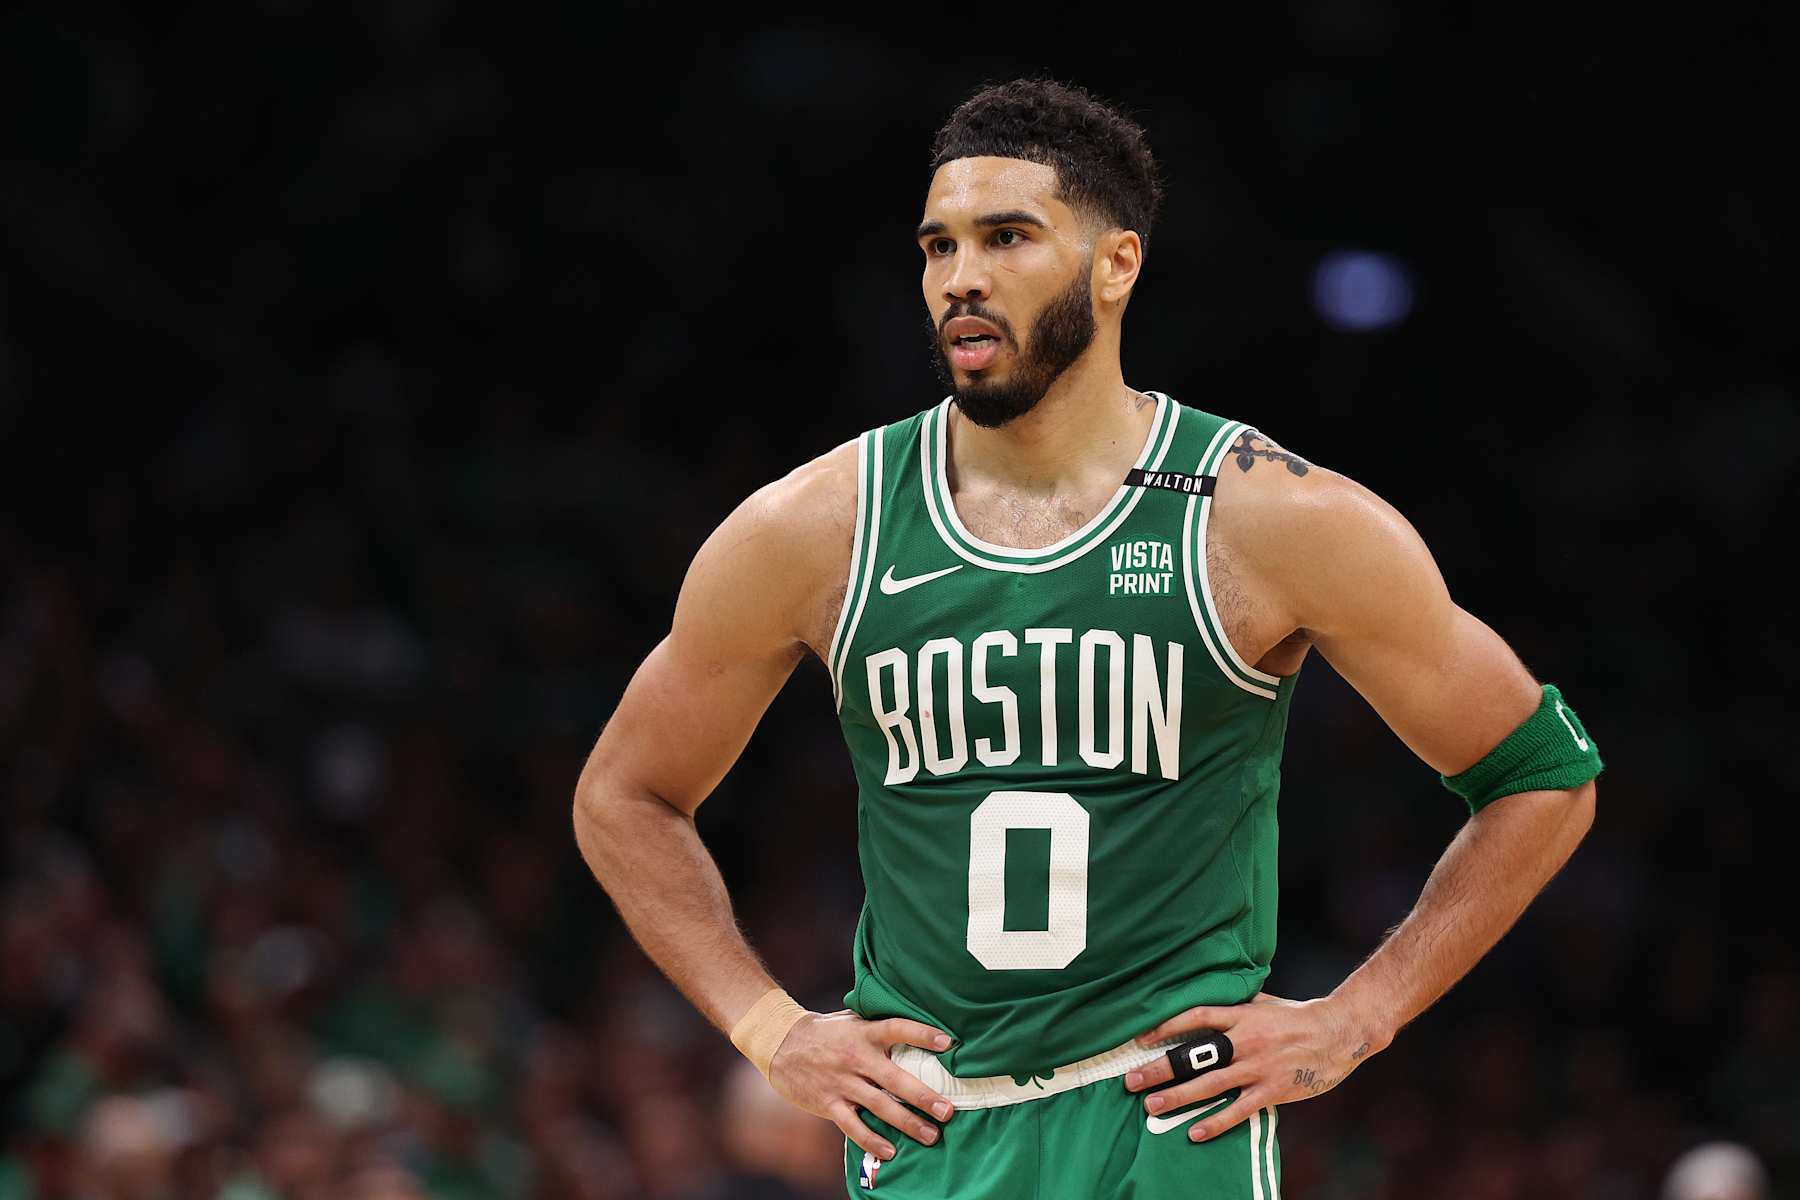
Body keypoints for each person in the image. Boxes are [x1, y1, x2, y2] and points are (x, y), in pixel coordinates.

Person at [572, 77, 1604, 1198]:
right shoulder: (817, 529)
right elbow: (622, 796)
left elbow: (1541, 774)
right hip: (930, 1134)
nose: (960, 277)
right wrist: (770, 1029)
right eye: (938, 246)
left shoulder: (1266, 516)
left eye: (1007, 237)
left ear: (1118, 264)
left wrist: (1359, 1018)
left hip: (1166, 1126)